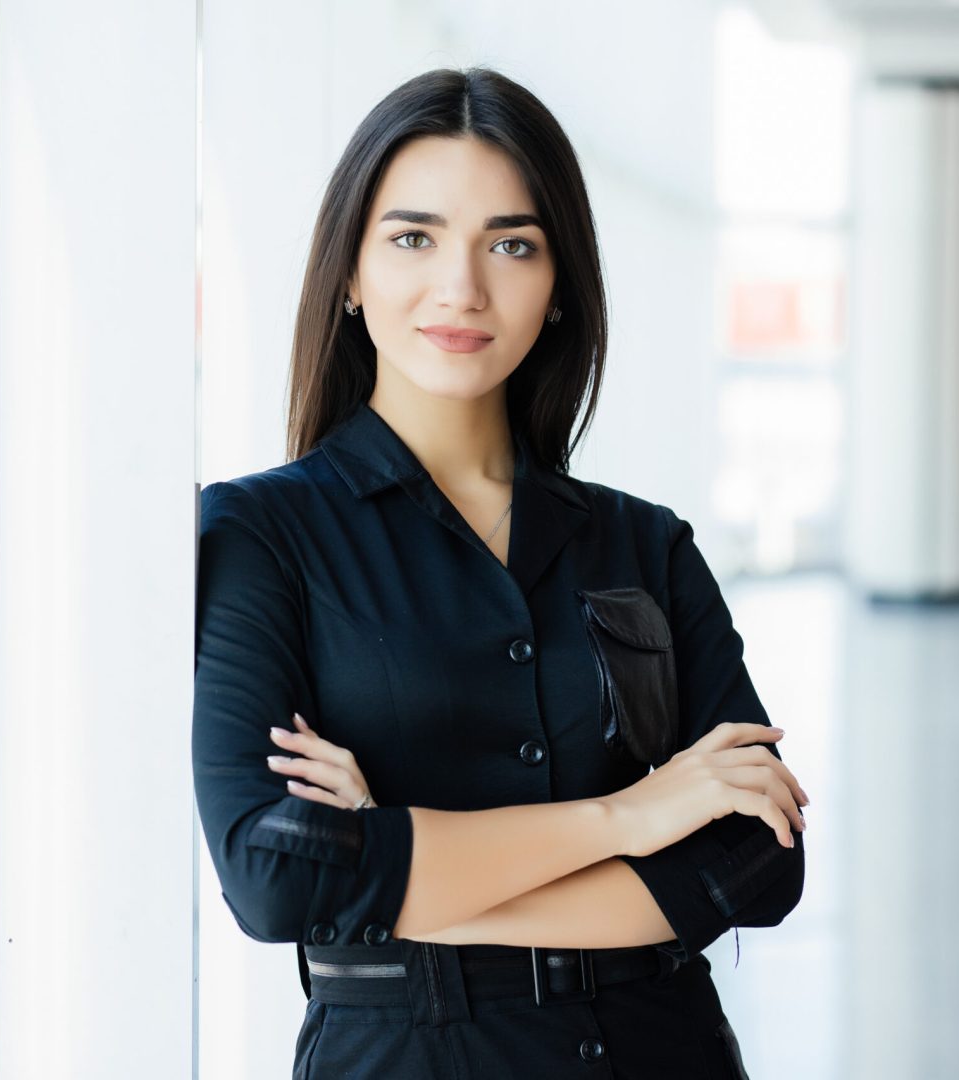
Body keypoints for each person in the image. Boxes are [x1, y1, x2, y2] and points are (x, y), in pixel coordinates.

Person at [192, 66, 807, 1080]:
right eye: (413, 237)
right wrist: (629, 818)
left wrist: (399, 864)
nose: (461, 288)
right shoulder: (262, 535)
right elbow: (271, 875)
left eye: (511, 244)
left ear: (560, 284)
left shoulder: (646, 545)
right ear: (348, 273)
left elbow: (758, 858)